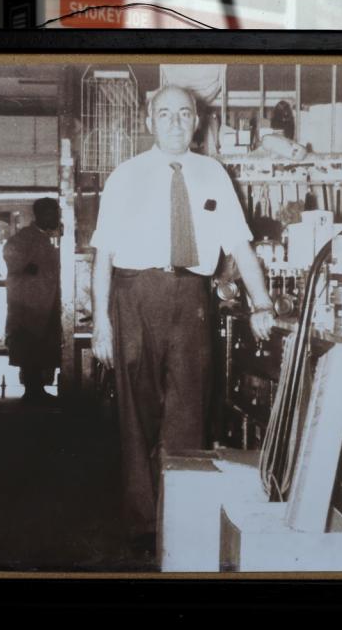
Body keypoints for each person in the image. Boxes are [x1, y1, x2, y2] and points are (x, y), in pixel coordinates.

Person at [90, 86, 275, 563]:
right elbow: (103, 257)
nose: (174, 122)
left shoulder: (213, 173)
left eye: (183, 114)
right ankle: (142, 523)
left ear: (197, 121)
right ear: (150, 120)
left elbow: (240, 246)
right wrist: (102, 325)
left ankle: (180, 518)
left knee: (189, 410)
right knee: (138, 413)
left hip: (191, 297)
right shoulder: (125, 176)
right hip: (135, 295)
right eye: (165, 113)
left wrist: (261, 303)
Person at [3, 197, 62, 404]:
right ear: (40, 215)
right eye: (51, 213)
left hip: (46, 302)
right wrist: (26, 266)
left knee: (44, 348)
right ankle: (32, 391)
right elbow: (11, 255)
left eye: (57, 213)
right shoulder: (26, 237)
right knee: (31, 349)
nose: (56, 217)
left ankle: (38, 390)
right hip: (29, 305)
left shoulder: (48, 237)